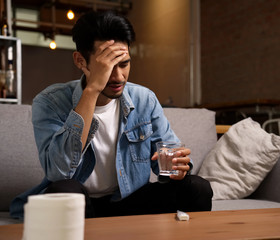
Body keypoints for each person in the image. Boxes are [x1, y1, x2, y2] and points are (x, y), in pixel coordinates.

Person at [10, 11, 213, 219]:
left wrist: (179, 168)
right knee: (62, 191)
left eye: (124, 64)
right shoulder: (50, 101)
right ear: (81, 61)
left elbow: (165, 163)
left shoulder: (144, 99)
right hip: (79, 202)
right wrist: (92, 90)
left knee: (198, 188)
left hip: (128, 200)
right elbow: (58, 172)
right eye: (106, 66)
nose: (118, 77)